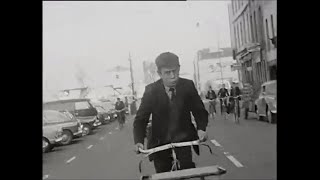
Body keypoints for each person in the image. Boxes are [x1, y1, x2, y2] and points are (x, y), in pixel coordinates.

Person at [133, 52, 209, 173]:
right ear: (159, 73)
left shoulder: (188, 86)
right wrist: (138, 142)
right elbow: (141, 119)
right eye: (167, 73)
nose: (173, 76)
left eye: (175, 71)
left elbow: (199, 111)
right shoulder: (151, 90)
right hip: (159, 143)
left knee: (187, 171)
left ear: (179, 69)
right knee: (163, 173)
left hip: (183, 140)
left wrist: (201, 129)